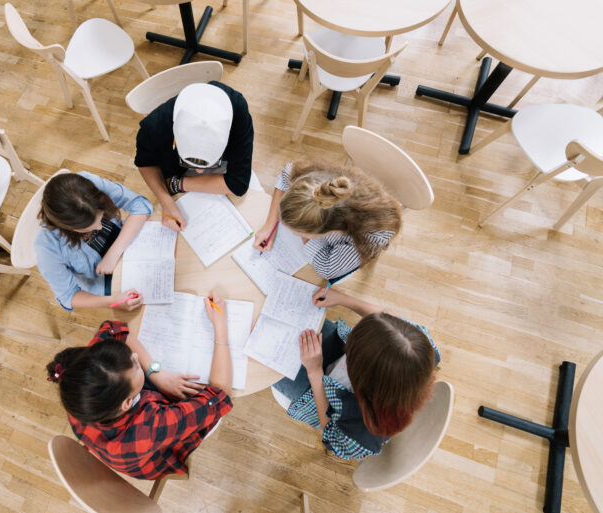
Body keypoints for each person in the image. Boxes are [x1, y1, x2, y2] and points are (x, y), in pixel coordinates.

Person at [46, 292, 233, 479]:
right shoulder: (149, 428)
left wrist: (155, 372)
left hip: (116, 441)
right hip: (155, 456)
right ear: (127, 403)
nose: (136, 356)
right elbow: (220, 396)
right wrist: (220, 326)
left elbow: (113, 330)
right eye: (136, 365)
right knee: (209, 409)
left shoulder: (80, 384)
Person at [272, 289, 440, 460]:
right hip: (330, 369)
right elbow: (387, 320)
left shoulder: (362, 433)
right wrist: (344, 299)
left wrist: (315, 371)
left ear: (359, 375)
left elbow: (331, 433)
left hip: (318, 394)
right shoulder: (419, 346)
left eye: (352, 349)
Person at [252, 159, 401, 281]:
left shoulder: (370, 237)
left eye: (299, 233)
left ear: (332, 231)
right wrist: (269, 225)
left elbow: (328, 269)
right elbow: (287, 172)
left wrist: (304, 236)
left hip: (377, 221)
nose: (294, 234)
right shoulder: (315, 183)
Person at [134, 81, 254, 232]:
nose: (199, 172)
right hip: (171, 175)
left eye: (211, 163)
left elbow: (239, 183)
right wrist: (165, 200)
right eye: (188, 162)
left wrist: (177, 184)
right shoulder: (154, 127)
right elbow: (145, 163)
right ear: (174, 139)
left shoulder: (237, 109)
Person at [34, 172, 152, 311]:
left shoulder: (87, 188)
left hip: (128, 241)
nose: (100, 227)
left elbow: (139, 203)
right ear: (69, 227)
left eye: (102, 218)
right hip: (106, 279)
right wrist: (113, 301)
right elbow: (69, 296)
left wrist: (113, 254)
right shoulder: (47, 247)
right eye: (89, 228)